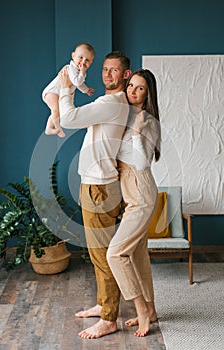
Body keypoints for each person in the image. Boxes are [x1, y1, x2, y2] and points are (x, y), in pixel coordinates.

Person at [58, 51, 131, 339]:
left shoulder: (110, 102)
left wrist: (65, 86)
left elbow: (69, 118)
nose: (107, 74)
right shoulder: (111, 104)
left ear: (125, 75)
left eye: (114, 71)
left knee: (102, 256)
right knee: (98, 253)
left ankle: (110, 318)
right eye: (105, 69)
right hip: (96, 185)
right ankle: (103, 305)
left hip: (99, 188)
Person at [107, 69, 161, 337]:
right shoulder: (123, 115)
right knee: (138, 254)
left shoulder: (147, 121)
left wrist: (138, 133)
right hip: (130, 192)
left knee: (115, 253)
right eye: (131, 86)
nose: (133, 91)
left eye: (140, 88)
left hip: (141, 190)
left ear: (148, 93)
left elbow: (142, 163)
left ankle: (140, 309)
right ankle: (151, 309)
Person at [42, 43, 95, 138]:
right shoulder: (71, 68)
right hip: (52, 92)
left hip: (58, 93)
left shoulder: (79, 72)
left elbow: (79, 84)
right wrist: (82, 72)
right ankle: (57, 128)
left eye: (87, 60)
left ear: (90, 63)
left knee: (56, 111)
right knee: (56, 111)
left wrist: (86, 90)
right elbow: (77, 82)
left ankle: (48, 128)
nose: (83, 62)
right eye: (80, 57)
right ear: (73, 56)